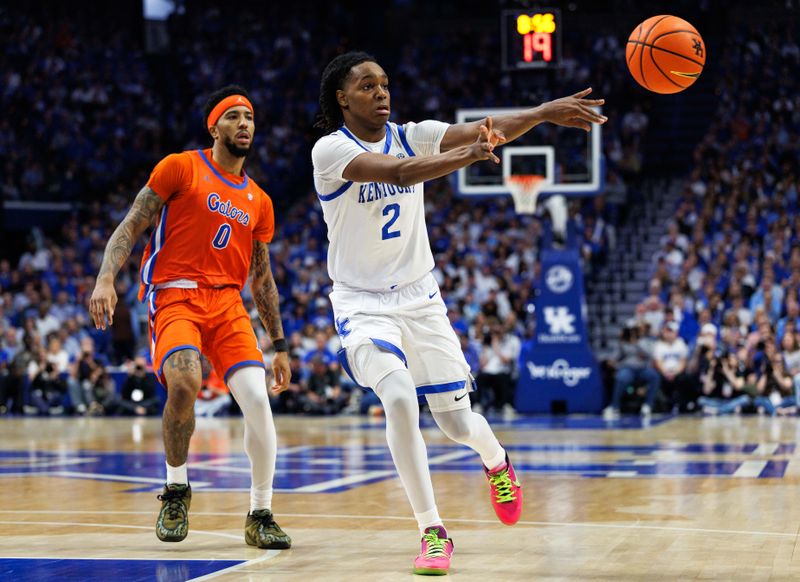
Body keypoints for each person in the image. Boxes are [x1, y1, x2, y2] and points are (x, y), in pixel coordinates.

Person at [311, 51, 606, 575]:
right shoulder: (331, 150)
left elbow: (483, 128)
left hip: (421, 299)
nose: (382, 93)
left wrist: (539, 113)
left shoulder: (413, 131)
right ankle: (432, 531)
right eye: (366, 86)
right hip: (361, 303)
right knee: (399, 398)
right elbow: (402, 173)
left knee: (456, 424)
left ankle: (498, 463)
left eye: (385, 83)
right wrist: (471, 153)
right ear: (342, 98)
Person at [89, 86, 291, 549]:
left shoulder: (259, 200)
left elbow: (262, 279)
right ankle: (176, 489)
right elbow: (132, 223)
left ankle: (260, 513)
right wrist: (106, 278)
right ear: (214, 126)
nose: (244, 124)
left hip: (228, 306)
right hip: (175, 296)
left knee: (258, 403)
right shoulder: (181, 166)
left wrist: (279, 346)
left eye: (250, 117)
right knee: (184, 382)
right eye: (234, 116)